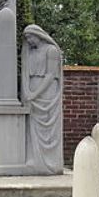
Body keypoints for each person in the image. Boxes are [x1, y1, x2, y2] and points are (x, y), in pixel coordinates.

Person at [21, 25, 64, 175]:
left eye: (30, 37)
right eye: (26, 38)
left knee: (47, 128)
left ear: (38, 35)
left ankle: (50, 162)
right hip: (33, 91)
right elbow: (27, 73)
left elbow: (51, 75)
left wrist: (35, 94)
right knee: (33, 126)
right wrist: (27, 90)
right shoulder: (30, 52)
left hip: (46, 93)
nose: (29, 40)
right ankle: (35, 159)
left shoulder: (51, 50)